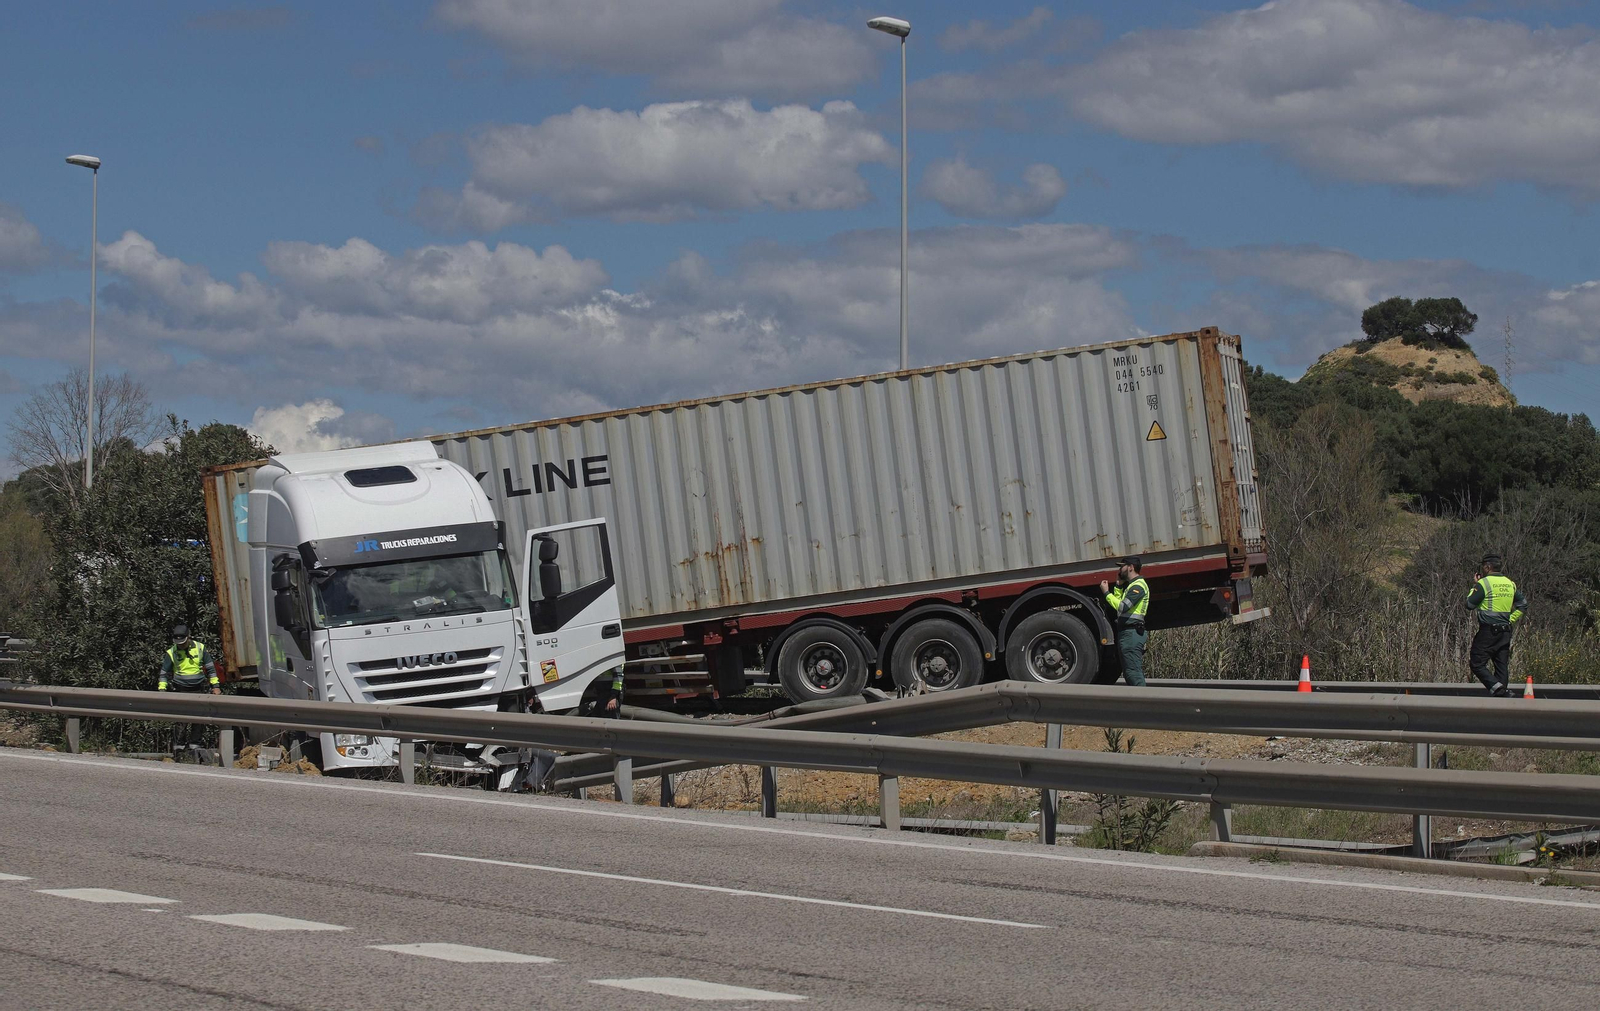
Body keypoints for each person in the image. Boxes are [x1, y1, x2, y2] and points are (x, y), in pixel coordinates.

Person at [1465, 554, 1526, 697]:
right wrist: (1510, 619)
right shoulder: (1510, 583)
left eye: (1483, 567)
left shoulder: (1484, 583)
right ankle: (1502, 695)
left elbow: (1469, 604)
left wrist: (1475, 585)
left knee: (1476, 662)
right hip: (1505, 630)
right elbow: (1523, 605)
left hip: (1488, 630)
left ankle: (1496, 687)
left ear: (1487, 567)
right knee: (1501, 664)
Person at [157, 624, 221, 754]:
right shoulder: (172, 652)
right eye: (178, 643)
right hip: (180, 689)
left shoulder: (200, 648)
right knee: (181, 719)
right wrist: (162, 689)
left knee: (199, 718)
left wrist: (216, 686)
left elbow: (210, 669)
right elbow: (164, 673)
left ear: (189, 637)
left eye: (183, 642)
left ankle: (195, 745)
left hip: (198, 688)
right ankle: (179, 747)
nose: (180, 645)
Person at [1101, 557, 1150, 686]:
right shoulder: (1132, 585)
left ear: (1130, 567)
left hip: (1132, 633)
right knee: (1129, 671)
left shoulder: (1138, 586)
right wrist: (1118, 586)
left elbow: (1122, 607)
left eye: (1122, 566)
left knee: (1133, 672)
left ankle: (1143, 701)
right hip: (1127, 633)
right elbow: (1120, 607)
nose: (1119, 569)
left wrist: (1106, 593)